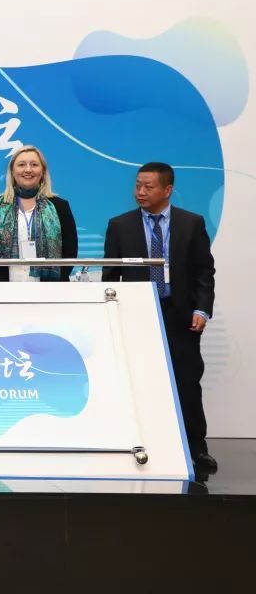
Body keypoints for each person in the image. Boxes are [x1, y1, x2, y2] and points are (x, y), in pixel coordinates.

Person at [104, 162, 217, 471]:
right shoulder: (120, 225)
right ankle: (145, 444)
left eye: (148, 186)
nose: (140, 192)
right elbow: (110, 276)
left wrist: (201, 308)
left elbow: (204, 271)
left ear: (167, 190)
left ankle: (196, 448)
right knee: (138, 382)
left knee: (186, 382)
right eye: (137, 185)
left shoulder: (191, 223)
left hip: (180, 316)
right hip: (136, 318)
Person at [0, 145, 78, 282]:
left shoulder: (60, 206)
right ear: (12, 171)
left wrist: (54, 285)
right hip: (4, 288)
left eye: (34, 164)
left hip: (51, 289)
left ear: (42, 171)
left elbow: (70, 251)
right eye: (21, 165)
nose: (28, 169)